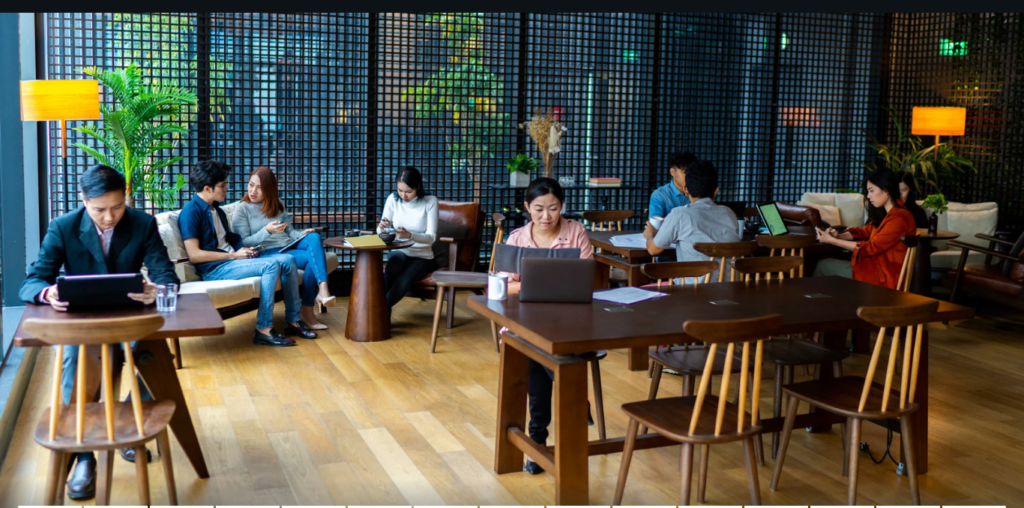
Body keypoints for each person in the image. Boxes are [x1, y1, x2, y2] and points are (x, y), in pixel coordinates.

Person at [19, 165, 176, 500]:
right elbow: (33, 280)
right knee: (74, 360)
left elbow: (166, 275)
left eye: (117, 207)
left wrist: (157, 290)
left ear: (125, 199)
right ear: (83, 200)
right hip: (82, 323)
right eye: (100, 209)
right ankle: (83, 456)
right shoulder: (63, 227)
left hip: (130, 317)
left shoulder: (142, 223)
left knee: (155, 356)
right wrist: (48, 293)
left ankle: (127, 426)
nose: (109, 217)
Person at [499, 177, 594, 475]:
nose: (546, 216)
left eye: (553, 208)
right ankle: (575, 399)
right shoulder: (517, 238)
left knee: (541, 352)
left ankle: (537, 439)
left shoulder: (576, 231)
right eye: (538, 209)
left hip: (568, 319)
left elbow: (585, 278)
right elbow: (504, 286)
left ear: (562, 206)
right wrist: (537, 285)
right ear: (527, 207)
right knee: (539, 349)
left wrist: (528, 283)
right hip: (526, 318)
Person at [179, 161, 317, 347]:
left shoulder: (216, 209)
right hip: (215, 269)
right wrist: (234, 256)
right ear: (207, 188)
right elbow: (195, 255)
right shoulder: (190, 213)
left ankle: (293, 321)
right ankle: (263, 329)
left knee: (288, 260)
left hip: (233, 261)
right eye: (223, 185)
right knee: (271, 265)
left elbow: (228, 242)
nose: (227, 188)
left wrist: (246, 251)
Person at [233, 166, 336, 330]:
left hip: (288, 246)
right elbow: (243, 243)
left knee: (313, 237)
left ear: (270, 189)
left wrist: (301, 234)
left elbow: (289, 231)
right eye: (251, 185)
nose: (253, 191)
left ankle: (322, 290)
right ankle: (308, 308)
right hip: (266, 252)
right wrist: (267, 231)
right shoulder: (242, 208)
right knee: (313, 259)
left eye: (260, 187)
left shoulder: (277, 204)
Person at [813, 168, 917, 289]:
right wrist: (839, 236)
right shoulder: (887, 213)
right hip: (875, 270)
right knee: (825, 264)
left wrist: (832, 241)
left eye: (871, 191)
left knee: (823, 266)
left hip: (883, 278)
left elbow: (870, 248)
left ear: (886, 189)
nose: (868, 196)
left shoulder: (899, 218)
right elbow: (864, 231)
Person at [643, 160, 741, 283]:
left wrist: (650, 235)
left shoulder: (680, 214)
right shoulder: (729, 213)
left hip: (692, 290)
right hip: (729, 287)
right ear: (716, 190)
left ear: (686, 190)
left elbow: (653, 250)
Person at [376, 166, 439, 316]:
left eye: (408, 191)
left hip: (422, 256)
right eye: (400, 190)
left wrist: (409, 235)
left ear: (418, 186)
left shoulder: (430, 202)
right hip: (399, 250)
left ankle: (379, 312)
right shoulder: (392, 199)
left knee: (405, 279)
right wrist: (382, 228)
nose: (403, 195)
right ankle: (381, 316)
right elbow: (380, 231)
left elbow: (431, 238)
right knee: (392, 268)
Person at [649, 150, 698, 263]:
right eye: (685, 172)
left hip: (692, 248)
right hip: (667, 250)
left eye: (691, 172)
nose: (689, 176)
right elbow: (655, 228)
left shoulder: (697, 193)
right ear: (673, 172)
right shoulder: (660, 195)